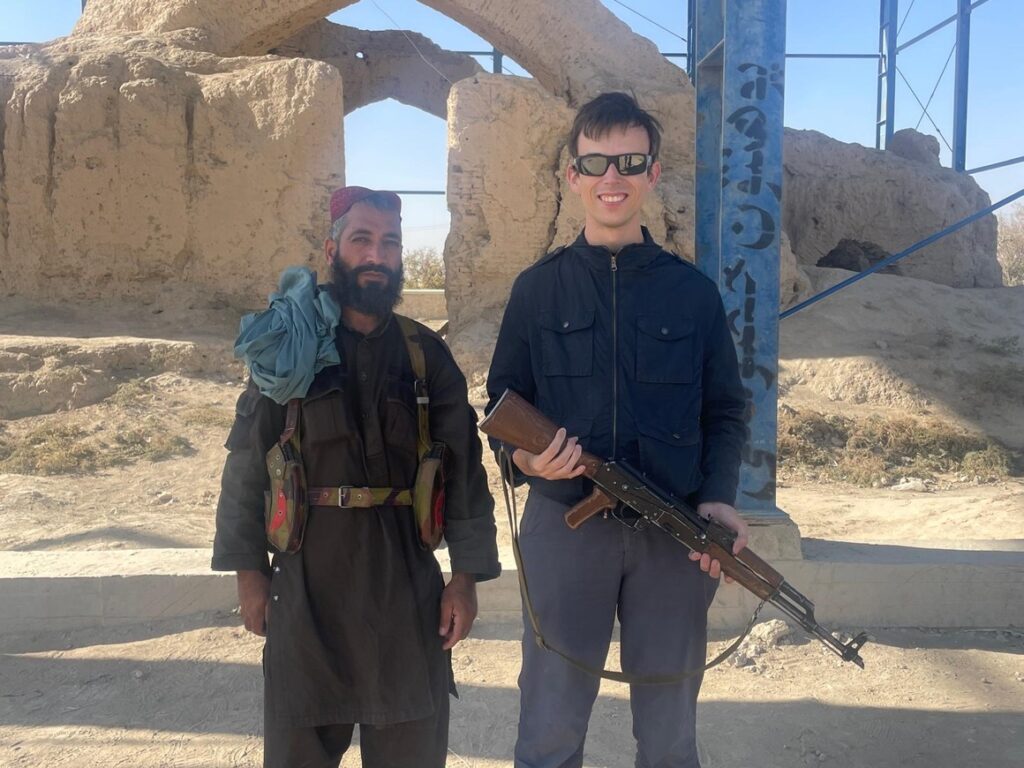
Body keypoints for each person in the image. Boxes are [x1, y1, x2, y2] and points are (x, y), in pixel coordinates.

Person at [485, 92, 749, 768]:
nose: (613, 178)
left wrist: (718, 498)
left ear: (652, 174)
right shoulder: (536, 291)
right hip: (566, 528)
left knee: (668, 737)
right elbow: (501, 405)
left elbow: (725, 406)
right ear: (572, 175)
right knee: (549, 727)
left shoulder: (691, 293)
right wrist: (528, 461)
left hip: (672, 535)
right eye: (596, 162)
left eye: (630, 162)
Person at [213, 186, 500, 768]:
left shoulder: (426, 356)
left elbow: (465, 472)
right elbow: (246, 467)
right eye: (362, 240)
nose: (377, 255)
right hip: (307, 592)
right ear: (332, 249)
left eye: (389, 243)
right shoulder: (289, 347)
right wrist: (249, 576)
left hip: (405, 594)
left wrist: (465, 580)